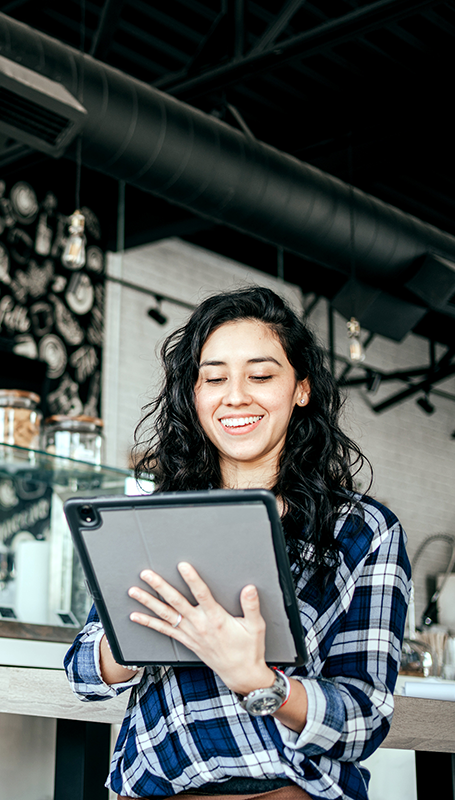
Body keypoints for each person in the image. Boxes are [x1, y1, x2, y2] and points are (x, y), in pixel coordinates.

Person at [64, 286, 411, 800]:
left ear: (301, 389)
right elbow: (82, 671)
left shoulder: (363, 529)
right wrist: (143, 636)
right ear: (195, 394)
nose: (236, 395)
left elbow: (362, 720)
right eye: (215, 377)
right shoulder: (154, 516)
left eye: (262, 375)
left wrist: (259, 681)